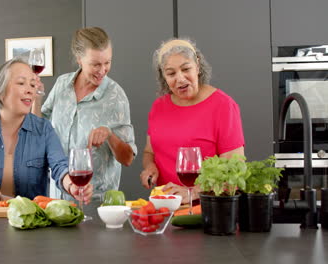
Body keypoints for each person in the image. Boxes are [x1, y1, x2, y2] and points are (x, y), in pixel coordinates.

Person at [0, 58, 93, 204]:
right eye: (21, 83)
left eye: (32, 84)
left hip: (29, 223)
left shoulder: (44, 129)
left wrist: (71, 184)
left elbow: (59, 167)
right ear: (1, 92)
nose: (30, 90)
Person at [32, 27, 137, 201]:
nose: (102, 70)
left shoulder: (115, 96)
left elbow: (127, 159)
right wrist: (36, 98)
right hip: (57, 198)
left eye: (107, 62)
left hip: (95, 204)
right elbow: (39, 128)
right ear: (79, 59)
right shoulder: (62, 84)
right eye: (96, 64)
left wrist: (109, 135)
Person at [139, 38, 245, 203]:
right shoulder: (158, 107)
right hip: (166, 208)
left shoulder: (223, 106)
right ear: (164, 76)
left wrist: (193, 192)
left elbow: (235, 169)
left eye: (186, 69)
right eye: (171, 73)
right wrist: (150, 167)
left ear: (197, 66)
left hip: (209, 208)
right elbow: (149, 152)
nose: (180, 79)